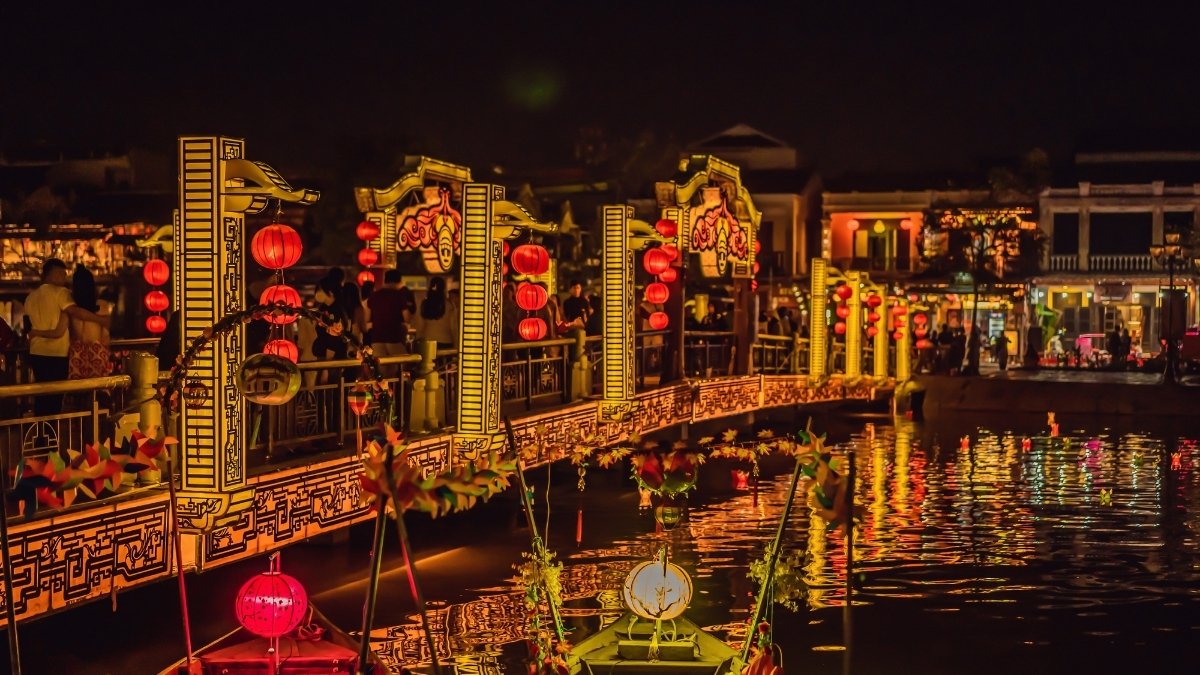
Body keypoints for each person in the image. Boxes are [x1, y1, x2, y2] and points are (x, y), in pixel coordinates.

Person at [24, 259, 109, 415]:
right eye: (62, 274)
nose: (64, 278)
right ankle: (53, 435)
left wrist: (36, 334)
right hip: (58, 354)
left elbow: (28, 325)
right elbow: (75, 314)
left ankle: (40, 435)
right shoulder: (62, 293)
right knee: (56, 399)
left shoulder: (30, 297)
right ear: (53, 274)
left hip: (37, 352)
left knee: (41, 396)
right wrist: (102, 320)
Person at [67, 266, 112, 379]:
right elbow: (106, 332)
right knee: (97, 389)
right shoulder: (101, 305)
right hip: (97, 350)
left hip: (76, 352)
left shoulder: (71, 307)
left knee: (77, 391)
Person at [367, 269, 414, 374]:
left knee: (383, 372)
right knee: (407, 362)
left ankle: (386, 390)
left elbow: (367, 317)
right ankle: (400, 389)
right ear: (398, 281)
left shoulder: (374, 296)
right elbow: (407, 318)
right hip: (394, 338)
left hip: (377, 339)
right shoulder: (399, 296)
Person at [416, 275, 457, 348]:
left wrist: (417, 340)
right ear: (444, 289)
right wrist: (456, 344)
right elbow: (453, 327)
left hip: (428, 342)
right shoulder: (449, 305)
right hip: (445, 341)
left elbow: (420, 325)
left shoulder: (424, 304)